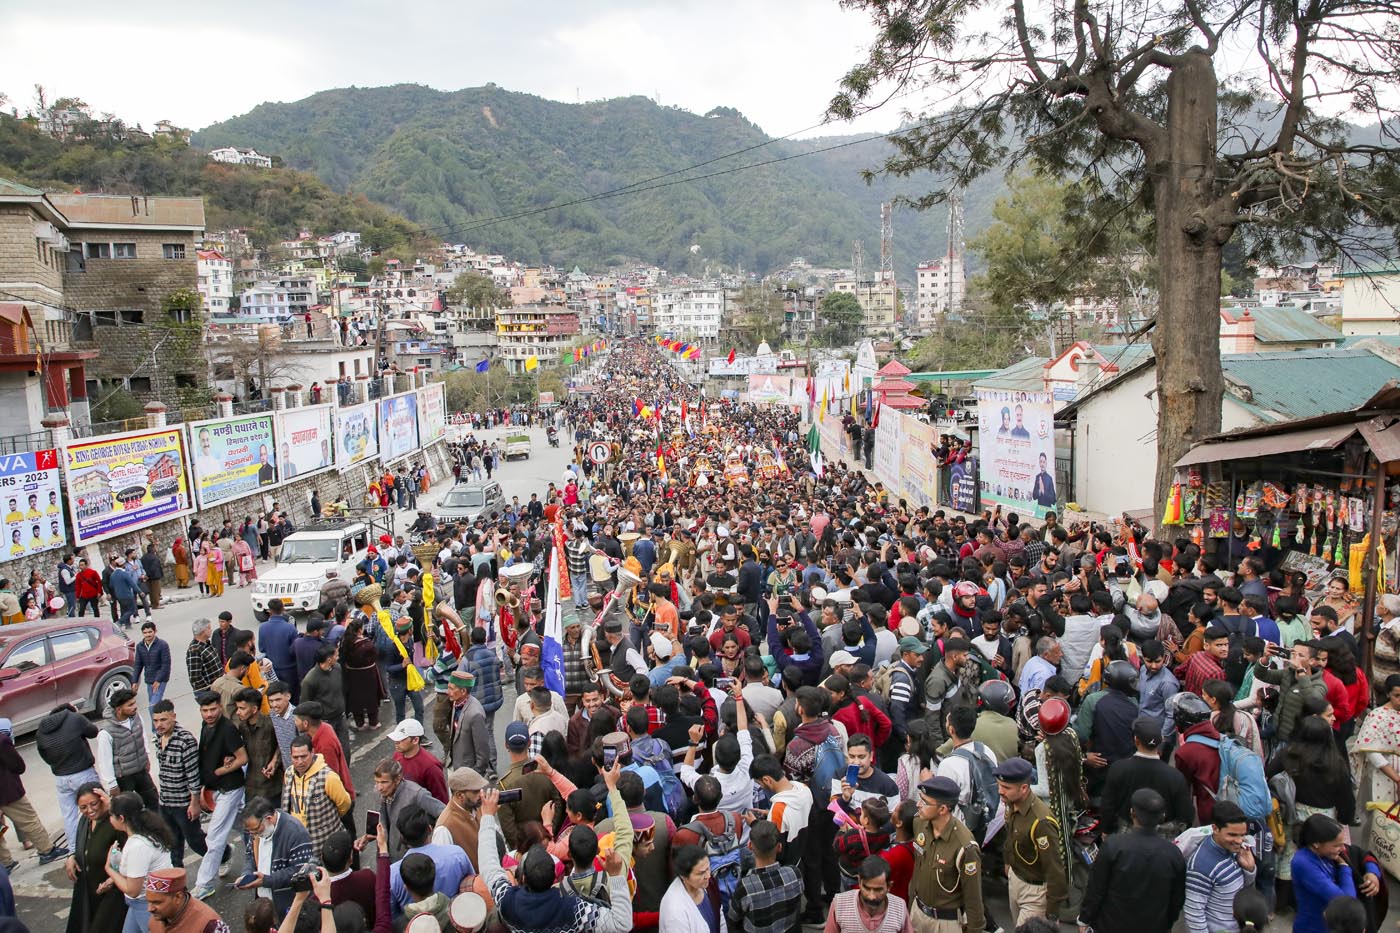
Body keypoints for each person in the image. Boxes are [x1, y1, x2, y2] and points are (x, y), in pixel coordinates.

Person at [476, 787, 633, 933]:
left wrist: (488, 816)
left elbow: (488, 866)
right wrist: (616, 876)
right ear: (554, 879)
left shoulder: (507, 901)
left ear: (523, 878)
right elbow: (622, 924)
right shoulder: (574, 909)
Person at [1079, 788, 1186, 933]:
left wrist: (1085, 918)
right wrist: (1167, 924)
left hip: (1111, 925)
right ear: (1163, 816)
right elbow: (1177, 899)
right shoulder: (1173, 854)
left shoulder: (1113, 846)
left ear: (1132, 813)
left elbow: (1096, 889)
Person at [993, 757, 1067, 925]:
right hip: (1016, 879)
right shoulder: (1012, 803)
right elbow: (1010, 836)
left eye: (1006, 787)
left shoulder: (1042, 822)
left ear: (1024, 788)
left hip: (1036, 892)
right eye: (999, 785)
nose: (1000, 791)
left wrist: (1052, 912)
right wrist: (1008, 863)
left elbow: (1055, 869)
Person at [191, 690, 247, 901]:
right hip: (216, 790)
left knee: (214, 837)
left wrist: (221, 771)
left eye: (213, 709)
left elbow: (242, 757)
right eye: (205, 710)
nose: (209, 714)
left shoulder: (228, 729)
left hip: (230, 789)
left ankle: (204, 884)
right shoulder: (207, 726)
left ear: (220, 707)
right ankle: (260, 853)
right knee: (244, 825)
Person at [908, 776, 983, 933]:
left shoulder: (965, 846)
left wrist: (975, 929)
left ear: (942, 809)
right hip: (917, 913)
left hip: (945, 923)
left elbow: (973, 897)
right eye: (920, 799)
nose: (918, 804)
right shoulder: (920, 824)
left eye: (925, 802)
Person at [0, 716, 68, 870]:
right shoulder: (2, 740)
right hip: (8, 791)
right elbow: (17, 765)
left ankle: (5, 863)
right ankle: (47, 850)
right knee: (28, 820)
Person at [35, 702, 102, 858]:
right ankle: (101, 843)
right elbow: (93, 731)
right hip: (83, 773)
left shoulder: (41, 731)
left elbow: (44, 754)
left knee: (69, 816)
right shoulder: (74, 718)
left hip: (61, 778)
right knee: (97, 806)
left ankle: (74, 851)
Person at [1290, 813, 1375, 933]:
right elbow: (1346, 902)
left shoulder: (1328, 852)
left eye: (1342, 843)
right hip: (1313, 928)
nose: (1343, 849)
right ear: (1316, 843)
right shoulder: (1304, 863)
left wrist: (1372, 873)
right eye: (1337, 845)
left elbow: (1362, 855)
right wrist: (1344, 867)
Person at [105, 792, 175, 933]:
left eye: (111, 815)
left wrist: (109, 869)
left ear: (121, 818)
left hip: (147, 905)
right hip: (143, 902)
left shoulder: (137, 845)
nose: (110, 819)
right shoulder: (149, 832)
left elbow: (133, 890)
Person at [1183, 801, 1256, 933]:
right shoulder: (1201, 866)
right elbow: (1194, 914)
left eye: (1242, 834)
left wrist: (1249, 869)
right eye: (1232, 835)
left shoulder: (1235, 850)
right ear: (1215, 828)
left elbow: (1243, 890)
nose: (1239, 841)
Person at [235, 796, 314, 917]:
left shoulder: (296, 833)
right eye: (251, 832)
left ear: (269, 819)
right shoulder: (256, 832)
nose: (254, 835)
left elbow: (300, 871)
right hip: (265, 901)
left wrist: (266, 880)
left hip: (289, 906)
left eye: (256, 830)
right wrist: (247, 874)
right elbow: (250, 855)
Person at [151, 700, 208, 868]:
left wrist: (195, 803)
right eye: (156, 721)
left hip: (183, 804)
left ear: (173, 717)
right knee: (171, 844)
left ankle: (223, 854)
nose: (159, 725)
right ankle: (177, 879)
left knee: (195, 840)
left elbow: (193, 775)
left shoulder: (185, 740)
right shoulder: (158, 739)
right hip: (165, 802)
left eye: (163, 720)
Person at [64, 782, 125, 933]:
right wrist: (72, 856)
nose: (89, 810)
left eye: (94, 804)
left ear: (103, 799)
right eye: (83, 808)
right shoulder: (85, 821)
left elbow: (130, 855)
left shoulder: (116, 822)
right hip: (90, 892)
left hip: (113, 894)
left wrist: (113, 879)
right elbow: (82, 847)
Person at [726, 819, 803, 933]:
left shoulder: (745, 886)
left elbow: (733, 919)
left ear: (750, 845)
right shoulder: (794, 874)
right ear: (779, 847)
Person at [283, 734, 352, 857]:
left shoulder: (328, 777)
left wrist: (328, 822)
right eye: (295, 757)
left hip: (324, 844)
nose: (299, 762)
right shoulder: (289, 773)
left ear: (312, 753)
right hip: (298, 843)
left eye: (303, 757)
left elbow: (345, 803)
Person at [96, 688, 159, 808]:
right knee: (128, 809)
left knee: (153, 801)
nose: (135, 707)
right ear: (119, 709)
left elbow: (143, 736)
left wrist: (146, 756)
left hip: (141, 771)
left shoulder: (136, 718)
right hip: (123, 778)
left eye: (134, 703)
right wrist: (112, 785)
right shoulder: (106, 732)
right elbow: (104, 762)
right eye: (130, 705)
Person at [1352, 672, 1400, 819]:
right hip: (1382, 775)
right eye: (1397, 696)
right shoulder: (1377, 716)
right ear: (1387, 694)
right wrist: (1397, 779)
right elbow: (1371, 751)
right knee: (1381, 820)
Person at [823, 855, 911, 933]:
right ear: (859, 882)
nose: (871, 896)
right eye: (867, 888)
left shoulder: (900, 908)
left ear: (889, 886)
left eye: (878, 890)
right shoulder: (840, 903)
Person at [662, 843, 727, 933]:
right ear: (683, 876)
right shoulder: (675, 912)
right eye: (701, 873)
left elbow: (720, 916)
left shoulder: (709, 884)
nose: (708, 876)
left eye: (708, 868)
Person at [144, 867, 230, 933]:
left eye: (156, 902)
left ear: (178, 897)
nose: (150, 909)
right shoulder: (157, 918)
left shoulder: (210, 925)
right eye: (149, 901)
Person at [389, 719, 448, 804]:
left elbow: (441, 800)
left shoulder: (431, 767)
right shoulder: (397, 755)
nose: (396, 742)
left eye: (401, 739)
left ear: (415, 740)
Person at [133, 621, 172, 715]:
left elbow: (166, 664)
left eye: (150, 632)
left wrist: (158, 680)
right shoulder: (140, 646)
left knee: (153, 706)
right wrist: (134, 681)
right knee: (156, 706)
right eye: (145, 633)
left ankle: (155, 730)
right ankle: (164, 723)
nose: (147, 635)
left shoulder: (162, 645)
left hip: (161, 679)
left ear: (155, 631)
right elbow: (138, 664)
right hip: (149, 679)